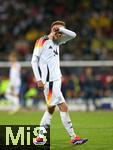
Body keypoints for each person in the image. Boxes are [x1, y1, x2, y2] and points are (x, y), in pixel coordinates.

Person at [31, 20, 88, 145]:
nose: (61, 35)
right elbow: (34, 61)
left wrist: (60, 29)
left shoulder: (58, 41)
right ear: (53, 30)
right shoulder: (43, 41)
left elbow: (73, 35)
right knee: (60, 107)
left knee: (53, 108)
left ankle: (40, 138)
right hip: (50, 82)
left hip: (56, 80)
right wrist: (38, 79)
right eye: (59, 32)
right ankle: (72, 137)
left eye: (62, 32)